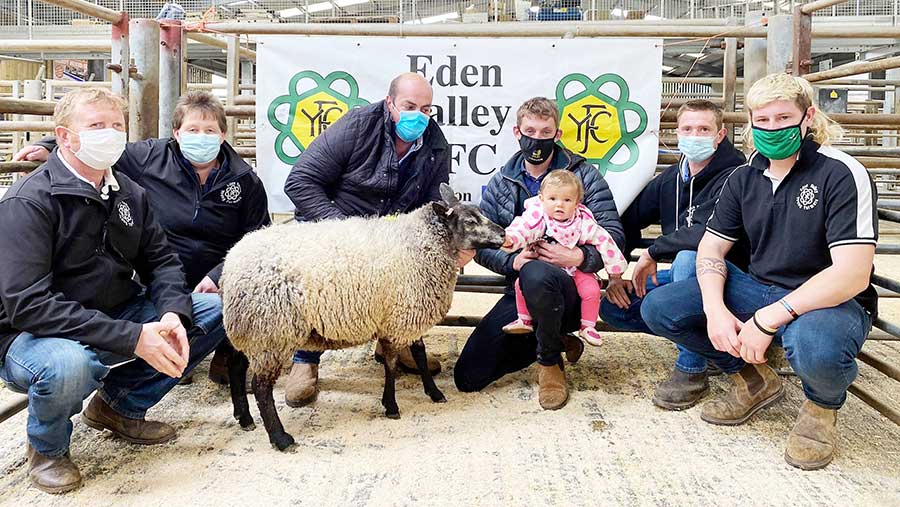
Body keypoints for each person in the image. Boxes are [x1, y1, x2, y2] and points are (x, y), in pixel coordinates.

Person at [641, 73, 877, 470]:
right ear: (751, 122)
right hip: (761, 286)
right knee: (660, 307)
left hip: (829, 300)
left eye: (783, 118)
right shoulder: (744, 176)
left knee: (817, 347)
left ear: (808, 117)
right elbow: (712, 246)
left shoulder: (840, 173)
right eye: (762, 120)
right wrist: (716, 310)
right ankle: (753, 379)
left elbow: (851, 274)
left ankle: (821, 409)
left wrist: (769, 318)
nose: (772, 128)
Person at [0, 88, 226, 493]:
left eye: (116, 126)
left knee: (211, 311)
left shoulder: (129, 194)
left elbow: (161, 262)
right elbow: (27, 304)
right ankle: (47, 449)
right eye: (96, 126)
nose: (110, 134)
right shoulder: (29, 201)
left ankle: (118, 405)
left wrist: (173, 313)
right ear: (65, 137)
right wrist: (133, 336)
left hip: (114, 312)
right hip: (33, 335)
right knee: (68, 365)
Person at [14, 91, 270, 385]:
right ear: (176, 133)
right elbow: (96, 146)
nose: (202, 137)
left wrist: (219, 275)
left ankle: (228, 351)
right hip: (167, 273)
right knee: (167, 303)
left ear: (223, 135)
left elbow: (257, 236)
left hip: (220, 275)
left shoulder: (245, 179)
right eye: (192, 130)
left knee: (238, 302)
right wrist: (49, 145)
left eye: (210, 130)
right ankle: (141, 380)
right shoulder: (149, 158)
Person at [282, 72, 455, 408]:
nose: (417, 115)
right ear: (389, 103)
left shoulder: (435, 141)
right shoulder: (358, 125)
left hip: (392, 236)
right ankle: (305, 359)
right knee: (317, 284)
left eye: (426, 108)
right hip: (338, 226)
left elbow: (436, 200)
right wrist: (343, 230)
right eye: (409, 105)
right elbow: (301, 181)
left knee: (421, 274)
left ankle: (397, 338)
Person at [453, 97, 624, 410]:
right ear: (517, 132)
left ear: (557, 135)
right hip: (522, 293)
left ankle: (549, 363)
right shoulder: (502, 182)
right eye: (531, 130)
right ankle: (555, 338)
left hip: (572, 290)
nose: (538, 138)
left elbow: (613, 234)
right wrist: (512, 260)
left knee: (538, 271)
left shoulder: (584, 176)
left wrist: (580, 258)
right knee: (468, 376)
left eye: (546, 132)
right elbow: (483, 242)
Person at [599, 99, 748, 410]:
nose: (695, 135)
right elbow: (630, 219)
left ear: (720, 135)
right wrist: (615, 270)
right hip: (687, 283)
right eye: (688, 129)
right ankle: (712, 348)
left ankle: (692, 368)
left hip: (732, 281)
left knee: (687, 256)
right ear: (676, 134)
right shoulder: (671, 179)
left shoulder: (737, 175)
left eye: (704, 129)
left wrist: (654, 250)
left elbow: (709, 233)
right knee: (614, 306)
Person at [501, 170, 627, 346]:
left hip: (575, 270)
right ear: (541, 198)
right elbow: (523, 228)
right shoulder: (538, 216)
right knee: (520, 283)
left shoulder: (583, 222)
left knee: (591, 289)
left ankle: (588, 326)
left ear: (577, 202)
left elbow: (606, 242)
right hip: (543, 269)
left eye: (567, 200)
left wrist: (615, 273)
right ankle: (524, 319)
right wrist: (510, 240)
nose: (559, 205)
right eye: (553, 199)